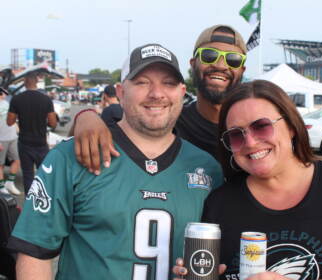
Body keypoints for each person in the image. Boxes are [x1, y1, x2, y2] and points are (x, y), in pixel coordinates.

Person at [7, 43, 223, 280]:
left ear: (182, 92)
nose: (157, 93)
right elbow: (35, 253)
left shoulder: (206, 167)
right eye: (142, 82)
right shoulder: (70, 156)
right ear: (120, 92)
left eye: (168, 83)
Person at [173, 80, 322, 280]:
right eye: (236, 135)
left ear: (291, 127)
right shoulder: (219, 204)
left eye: (262, 127)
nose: (251, 142)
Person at [71, 24, 247, 173]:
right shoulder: (167, 120)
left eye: (233, 60)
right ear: (193, 64)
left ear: (242, 70)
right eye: (210, 55)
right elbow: (108, 130)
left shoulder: (251, 128)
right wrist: (85, 116)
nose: (220, 65)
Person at [7, 73, 57, 194]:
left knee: (28, 175)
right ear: (36, 82)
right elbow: (53, 123)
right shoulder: (46, 99)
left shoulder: (17, 99)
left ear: (25, 82)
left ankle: (30, 206)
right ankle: (45, 204)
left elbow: (9, 122)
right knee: (44, 175)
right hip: (41, 143)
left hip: (24, 143)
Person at [0, 87, 21, 195]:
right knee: (1, 164)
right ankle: (1, 186)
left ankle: (10, 182)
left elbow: (12, 119)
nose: (5, 94)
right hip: (1, 139)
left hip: (13, 137)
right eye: (4, 93)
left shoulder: (7, 104)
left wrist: (18, 131)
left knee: (17, 160)